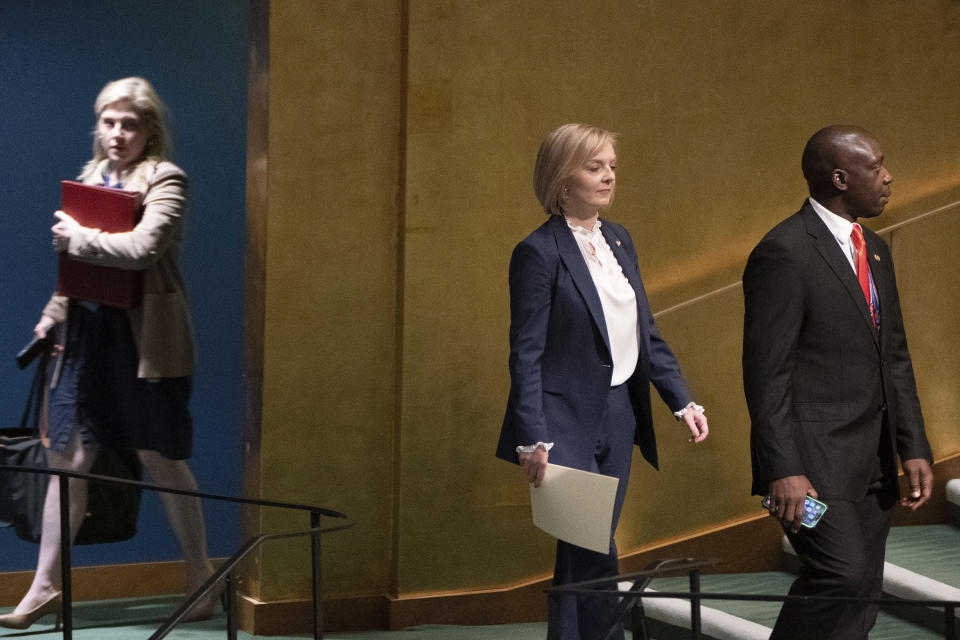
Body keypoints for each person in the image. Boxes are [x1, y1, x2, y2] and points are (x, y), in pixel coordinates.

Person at [0, 77, 217, 630]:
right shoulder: (90, 178)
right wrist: (52, 314)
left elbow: (143, 249)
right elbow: (79, 269)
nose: (118, 134)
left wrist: (77, 238)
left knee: (162, 457)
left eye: (131, 124)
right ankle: (45, 585)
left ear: (150, 131)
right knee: (67, 461)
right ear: (98, 126)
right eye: (110, 122)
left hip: (146, 342)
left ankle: (200, 576)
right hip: (87, 339)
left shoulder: (166, 179)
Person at [495, 123, 709, 640]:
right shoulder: (537, 252)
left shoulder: (619, 238)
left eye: (612, 166)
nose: (609, 176)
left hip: (618, 413)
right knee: (588, 541)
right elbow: (525, 353)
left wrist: (681, 400)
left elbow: (644, 330)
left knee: (588, 541)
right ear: (562, 181)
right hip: (560, 420)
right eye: (595, 167)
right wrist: (532, 435)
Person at [742, 125, 934, 639]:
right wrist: (783, 469)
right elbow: (767, 375)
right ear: (841, 177)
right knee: (841, 577)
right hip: (809, 466)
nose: (888, 177)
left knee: (863, 589)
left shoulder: (873, 249)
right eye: (876, 166)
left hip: (871, 463)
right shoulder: (784, 251)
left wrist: (912, 445)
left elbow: (894, 358)